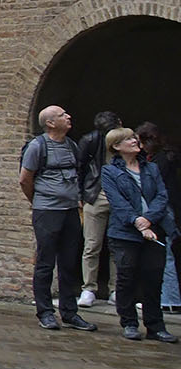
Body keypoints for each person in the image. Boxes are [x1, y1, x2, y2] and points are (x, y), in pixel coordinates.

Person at [19, 105, 94, 331]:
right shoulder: (37, 146)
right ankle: (45, 312)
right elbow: (25, 179)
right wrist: (39, 202)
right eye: (62, 115)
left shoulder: (71, 146)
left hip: (70, 210)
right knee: (45, 262)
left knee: (69, 262)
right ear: (50, 123)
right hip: (47, 212)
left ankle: (70, 313)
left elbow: (77, 175)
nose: (68, 116)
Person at [98, 126, 176, 342]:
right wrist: (137, 222)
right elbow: (118, 202)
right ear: (116, 146)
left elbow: (162, 196)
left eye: (134, 138)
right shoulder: (110, 172)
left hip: (154, 229)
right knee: (127, 277)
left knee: (154, 278)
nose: (135, 141)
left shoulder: (151, 168)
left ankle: (155, 326)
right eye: (129, 139)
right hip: (124, 234)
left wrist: (148, 219)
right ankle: (129, 323)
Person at [134, 121, 181, 313]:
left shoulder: (160, 161)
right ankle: (166, 299)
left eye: (140, 142)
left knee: (164, 253)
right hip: (165, 208)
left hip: (163, 210)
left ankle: (169, 300)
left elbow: (156, 188)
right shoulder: (163, 157)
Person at [76, 111, 122, 308]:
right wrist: (80, 195)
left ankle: (116, 289)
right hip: (95, 193)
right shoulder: (90, 140)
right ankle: (88, 288)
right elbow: (80, 167)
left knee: (117, 244)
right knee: (92, 244)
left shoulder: (126, 140)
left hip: (120, 196)